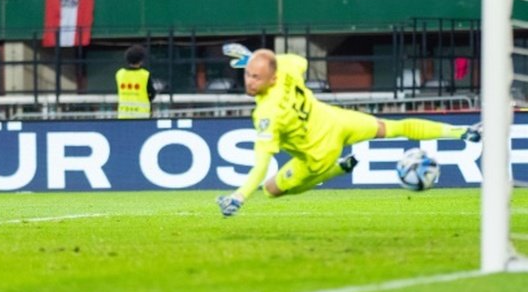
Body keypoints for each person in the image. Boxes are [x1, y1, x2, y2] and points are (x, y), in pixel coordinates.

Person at [215, 46, 482, 217]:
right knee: (391, 127)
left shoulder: (266, 114)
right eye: (247, 74)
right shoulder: (284, 67)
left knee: (271, 189)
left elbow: (261, 165)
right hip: (335, 119)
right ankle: (462, 132)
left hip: (319, 153)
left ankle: (338, 168)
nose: (249, 82)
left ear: (271, 78)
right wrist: (253, 59)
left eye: (256, 77)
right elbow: (300, 61)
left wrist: (239, 196)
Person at [116, 45, 156, 118]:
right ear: (141, 60)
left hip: (123, 115)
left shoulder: (119, 74)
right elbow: (152, 94)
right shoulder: (145, 75)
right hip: (141, 116)